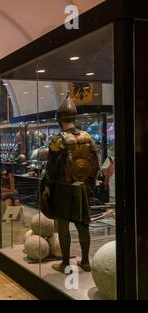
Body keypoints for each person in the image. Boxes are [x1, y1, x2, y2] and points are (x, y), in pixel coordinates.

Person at [42, 93, 99, 273]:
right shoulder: (87, 137)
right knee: (83, 224)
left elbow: (51, 168)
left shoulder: (58, 140)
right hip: (81, 187)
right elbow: (95, 164)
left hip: (62, 188)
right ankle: (85, 261)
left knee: (64, 225)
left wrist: (47, 187)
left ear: (60, 120)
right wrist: (89, 183)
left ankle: (66, 263)